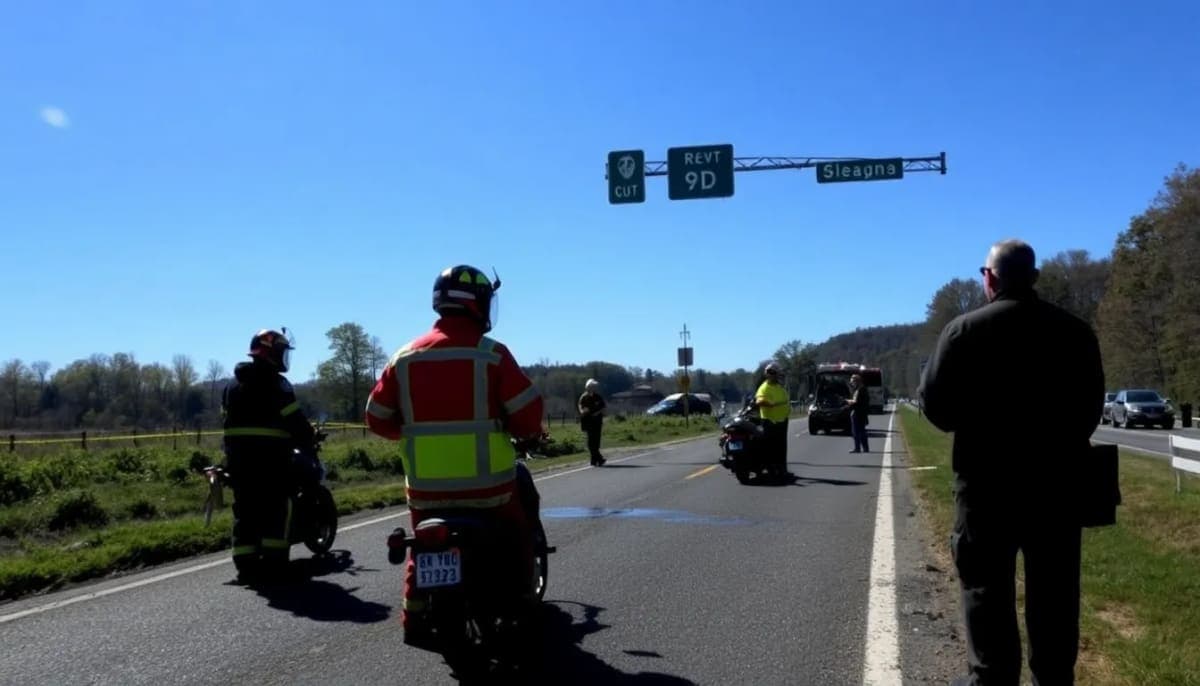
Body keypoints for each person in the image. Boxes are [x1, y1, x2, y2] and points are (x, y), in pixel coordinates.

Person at [919, 239, 1104, 686]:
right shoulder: (1074, 332)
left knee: (985, 595)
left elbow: (937, 408)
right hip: (1058, 489)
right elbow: (1091, 410)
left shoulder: (963, 332)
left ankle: (992, 677)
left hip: (986, 490)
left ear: (990, 278)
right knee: (1055, 599)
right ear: (1034, 277)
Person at [364, 264, 548, 644]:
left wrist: (413, 434)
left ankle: (413, 618)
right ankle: (521, 602)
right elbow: (528, 416)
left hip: (427, 490)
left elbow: (377, 418)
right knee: (518, 534)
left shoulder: (403, 357)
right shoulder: (492, 355)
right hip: (490, 490)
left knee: (424, 543)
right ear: (478, 305)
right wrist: (522, 433)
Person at [221, 328, 316, 583]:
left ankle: (246, 566)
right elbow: (295, 420)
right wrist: (309, 438)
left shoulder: (232, 385)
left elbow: (227, 423)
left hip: (239, 462)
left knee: (245, 512)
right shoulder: (278, 384)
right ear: (271, 353)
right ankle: (275, 565)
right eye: (282, 352)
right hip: (272, 461)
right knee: (277, 510)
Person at [754, 363, 791, 478]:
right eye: (772, 373)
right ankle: (771, 470)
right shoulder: (765, 387)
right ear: (768, 374)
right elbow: (759, 401)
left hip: (782, 421)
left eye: (775, 373)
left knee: (781, 447)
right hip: (770, 421)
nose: (775, 376)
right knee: (771, 447)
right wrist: (770, 404)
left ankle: (782, 469)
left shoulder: (779, 387)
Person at [578, 379, 607, 466]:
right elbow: (580, 406)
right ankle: (599, 458)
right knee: (591, 441)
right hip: (588, 422)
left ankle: (594, 460)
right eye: (593, 386)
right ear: (588, 387)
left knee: (596, 441)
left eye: (595, 387)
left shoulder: (598, 397)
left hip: (597, 421)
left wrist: (598, 413)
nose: (594, 388)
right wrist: (583, 411)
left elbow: (603, 407)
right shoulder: (584, 397)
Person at [846, 374, 870, 453]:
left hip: (857, 413)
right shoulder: (863, 389)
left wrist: (848, 401)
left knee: (856, 431)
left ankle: (857, 448)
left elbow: (856, 402)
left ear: (857, 381)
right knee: (862, 431)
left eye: (853, 382)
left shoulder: (859, 390)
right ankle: (865, 448)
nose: (852, 383)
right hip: (862, 413)